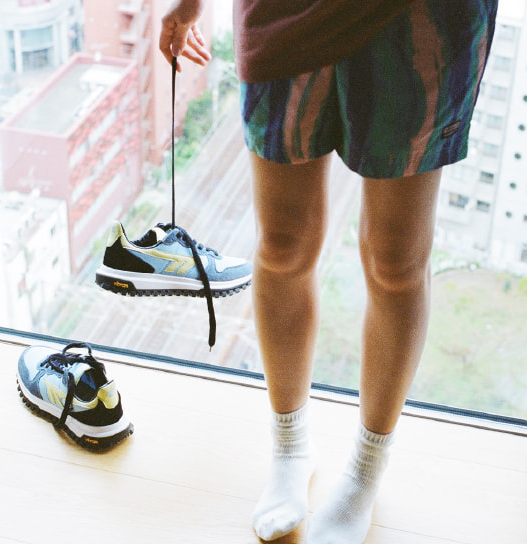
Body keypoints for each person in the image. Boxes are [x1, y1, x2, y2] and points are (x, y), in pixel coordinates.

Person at [159, 1, 497, 542]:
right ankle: (290, 446)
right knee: (283, 244)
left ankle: (366, 469)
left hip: (417, 16)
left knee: (396, 261)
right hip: (284, 11)